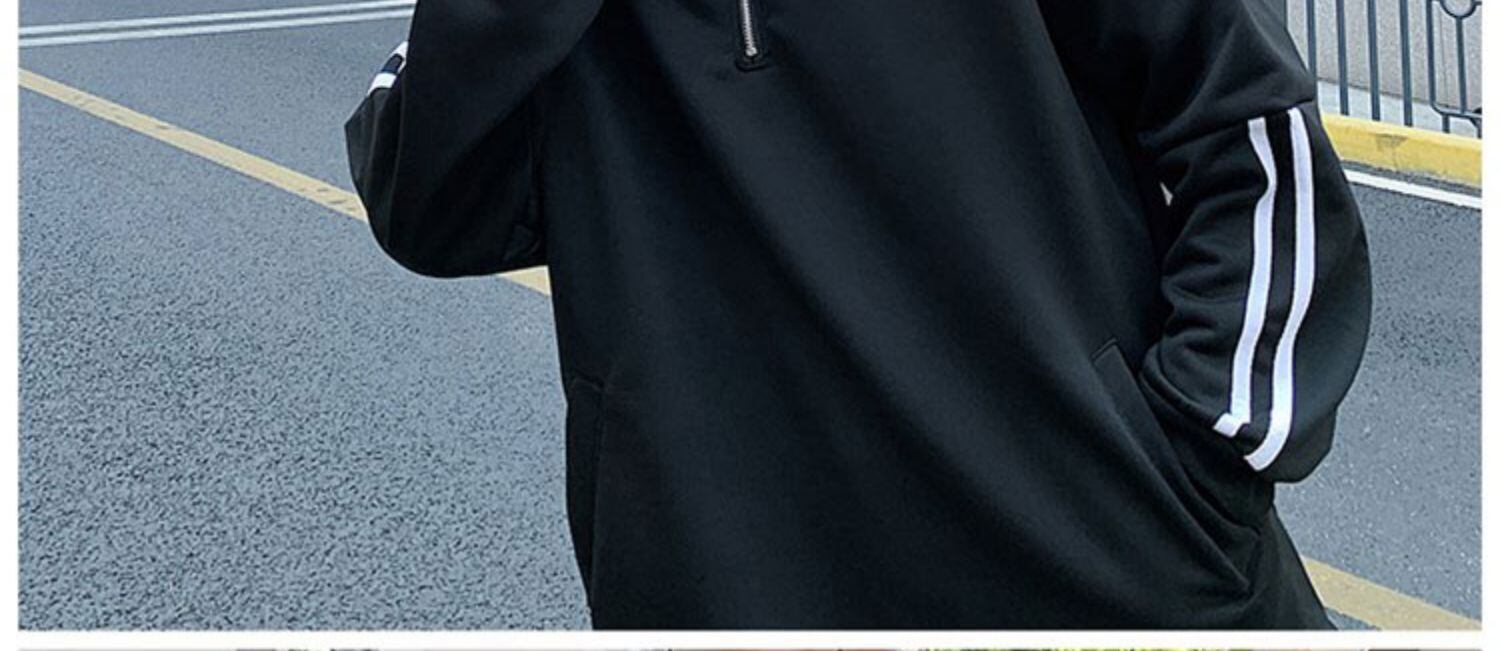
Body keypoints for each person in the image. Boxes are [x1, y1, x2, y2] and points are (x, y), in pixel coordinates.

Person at [345, 0, 1371, 629]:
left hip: (1114, 572)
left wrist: (1204, 466)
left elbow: (1245, 121)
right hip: (727, 587)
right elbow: (427, 204)